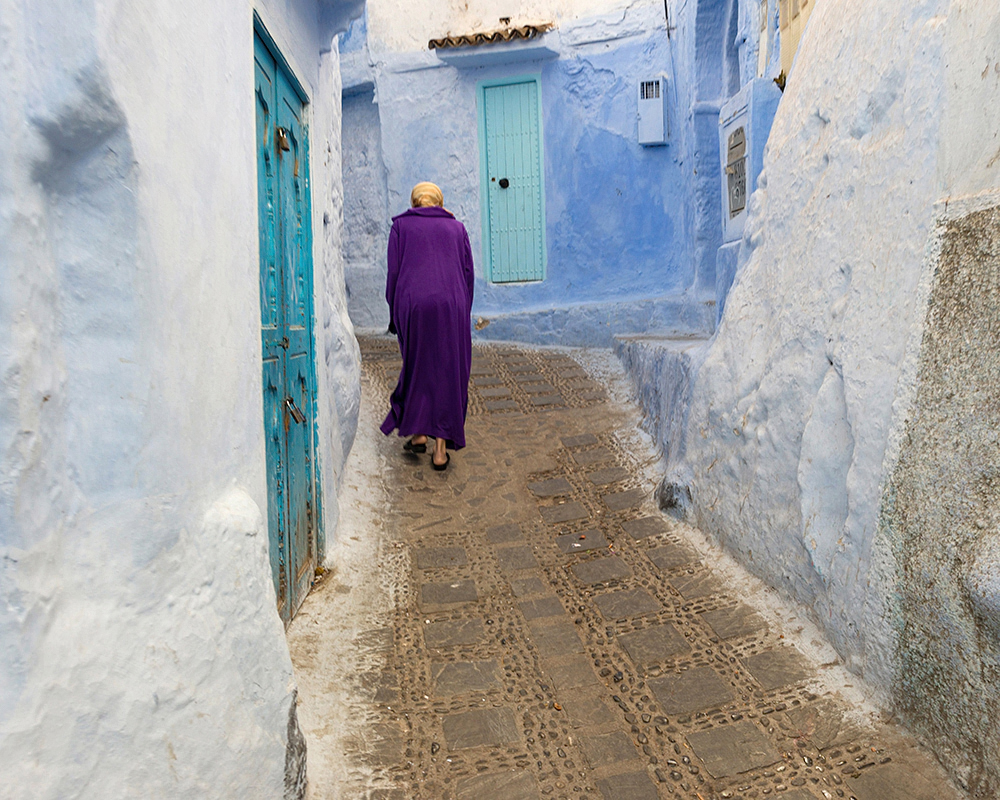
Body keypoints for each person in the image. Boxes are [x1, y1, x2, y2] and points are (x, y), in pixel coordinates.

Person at [379, 182, 475, 471]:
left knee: (417, 365)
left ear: (414, 202)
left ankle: (419, 434)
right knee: (448, 369)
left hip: (414, 304)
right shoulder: (457, 229)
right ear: (439, 203)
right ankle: (440, 450)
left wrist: (395, 312)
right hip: (452, 305)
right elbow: (467, 274)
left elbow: (394, 273)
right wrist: (462, 309)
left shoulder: (400, 228)